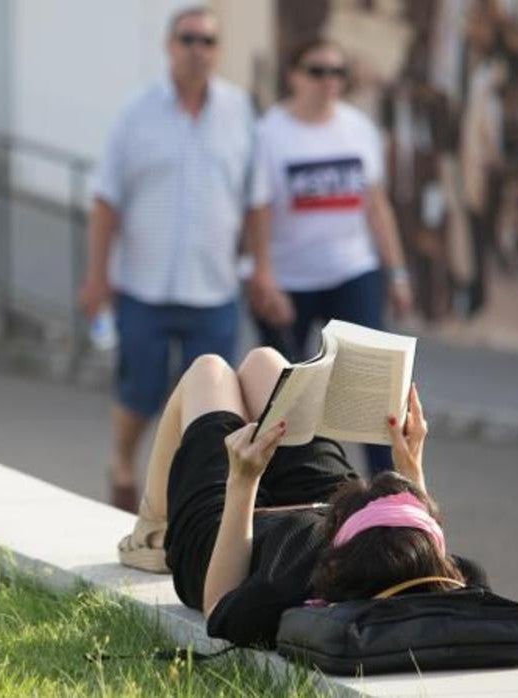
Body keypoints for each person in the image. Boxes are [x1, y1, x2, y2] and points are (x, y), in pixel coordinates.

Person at [116, 348, 487, 647]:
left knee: (209, 372)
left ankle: (151, 530)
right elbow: (418, 562)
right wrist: (411, 471)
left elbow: (218, 607)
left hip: (234, 531)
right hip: (352, 519)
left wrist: (243, 483)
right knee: (268, 364)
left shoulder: (284, 583)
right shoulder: (455, 579)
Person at [79, 6, 257, 511]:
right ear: (169, 45)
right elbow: (105, 198)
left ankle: (185, 501)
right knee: (140, 391)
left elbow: (257, 199)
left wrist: (263, 268)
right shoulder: (137, 113)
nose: (197, 49)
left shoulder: (240, 112)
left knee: (210, 404)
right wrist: (97, 277)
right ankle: (121, 461)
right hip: (143, 285)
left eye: (208, 41)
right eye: (188, 39)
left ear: (218, 51)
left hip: (214, 286)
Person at [245, 38, 413, 476]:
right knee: (287, 395)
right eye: (317, 71)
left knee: (372, 387)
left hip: (352, 270)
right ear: (294, 76)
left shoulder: (359, 128)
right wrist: (263, 275)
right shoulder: (269, 133)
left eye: (338, 73)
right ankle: (292, 490)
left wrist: (396, 273)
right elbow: (257, 209)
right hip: (289, 279)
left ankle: (387, 487)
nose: (328, 82)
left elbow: (376, 205)